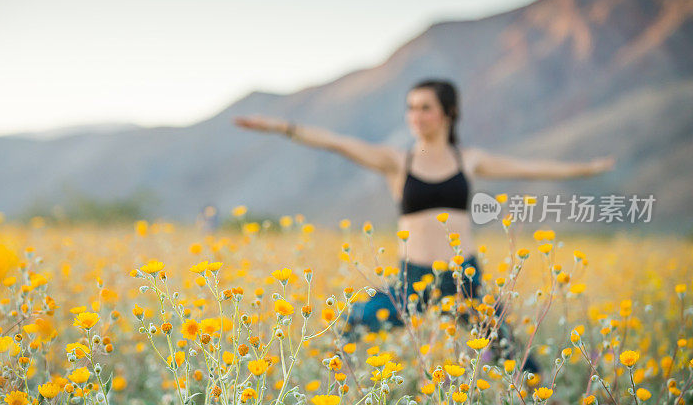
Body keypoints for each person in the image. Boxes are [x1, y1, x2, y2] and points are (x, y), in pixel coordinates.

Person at [234, 79, 614, 368]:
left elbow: (532, 167)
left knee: (513, 355)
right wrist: (279, 126)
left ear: (448, 113)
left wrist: (588, 169)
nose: (416, 116)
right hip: (411, 277)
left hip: (461, 275)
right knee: (352, 322)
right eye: (411, 108)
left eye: (425, 107)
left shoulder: (469, 159)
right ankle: (339, 394)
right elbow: (336, 142)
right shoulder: (397, 162)